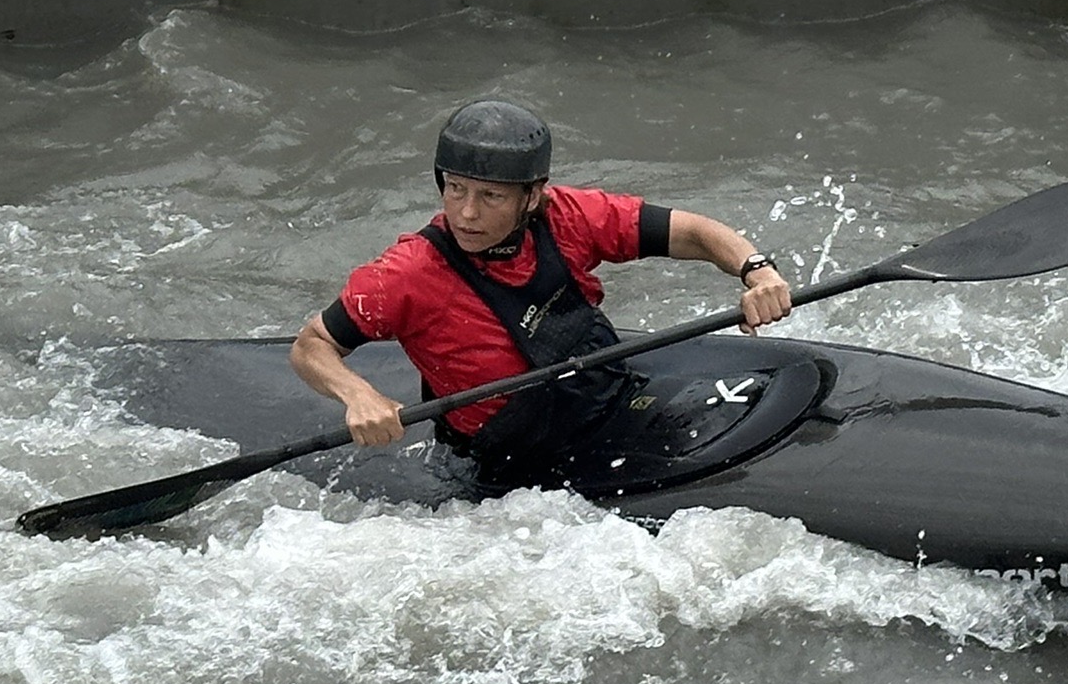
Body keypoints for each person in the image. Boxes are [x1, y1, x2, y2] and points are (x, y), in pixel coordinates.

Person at [289, 98, 795, 490]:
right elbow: (312, 346)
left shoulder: (567, 216)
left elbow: (694, 232)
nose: (466, 213)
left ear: (533, 196)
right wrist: (359, 394)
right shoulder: (406, 274)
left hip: (607, 400)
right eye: (456, 189)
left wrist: (757, 272)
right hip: (509, 467)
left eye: (490, 196)